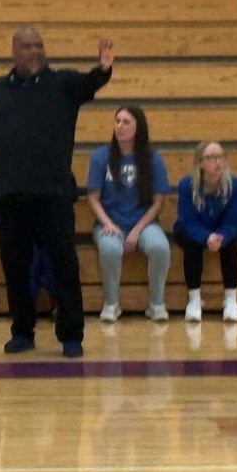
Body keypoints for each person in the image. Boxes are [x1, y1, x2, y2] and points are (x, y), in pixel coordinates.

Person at [0, 27, 113, 358]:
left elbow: (91, 83)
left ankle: (71, 335)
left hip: (54, 195)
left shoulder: (62, 85)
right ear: (13, 51)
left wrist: (103, 69)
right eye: (27, 47)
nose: (35, 51)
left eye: (39, 45)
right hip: (11, 195)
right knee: (15, 266)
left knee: (64, 265)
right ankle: (22, 330)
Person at [87, 106, 170, 322]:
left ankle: (156, 304)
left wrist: (136, 231)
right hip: (109, 222)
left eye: (126, 122)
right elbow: (93, 198)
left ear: (138, 127)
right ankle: (111, 304)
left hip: (142, 222)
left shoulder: (152, 159)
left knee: (159, 247)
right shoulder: (100, 157)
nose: (120, 126)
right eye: (117, 121)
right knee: (110, 248)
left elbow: (158, 202)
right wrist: (107, 223)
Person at [173, 142, 237, 323]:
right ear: (200, 163)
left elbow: (234, 221)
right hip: (196, 228)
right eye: (211, 158)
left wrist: (220, 236)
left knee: (232, 242)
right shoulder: (186, 185)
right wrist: (206, 237)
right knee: (190, 242)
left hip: (222, 230)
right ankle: (194, 300)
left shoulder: (235, 185)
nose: (217, 162)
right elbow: (187, 220)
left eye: (220, 156)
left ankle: (230, 300)